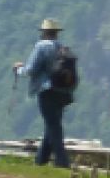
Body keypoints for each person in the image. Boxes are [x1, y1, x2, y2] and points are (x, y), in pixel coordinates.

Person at [15, 17, 73, 169]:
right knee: (52, 123)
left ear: (44, 32)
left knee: (53, 126)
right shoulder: (63, 47)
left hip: (46, 90)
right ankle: (40, 160)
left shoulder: (41, 46)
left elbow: (31, 70)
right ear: (56, 33)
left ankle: (62, 161)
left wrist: (18, 69)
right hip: (63, 91)